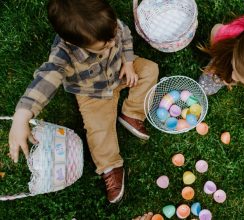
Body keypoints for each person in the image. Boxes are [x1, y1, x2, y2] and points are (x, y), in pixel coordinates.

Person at [7, 0, 158, 203]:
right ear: (74, 43)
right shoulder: (64, 55)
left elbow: (125, 36)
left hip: (120, 71)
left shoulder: (109, 25)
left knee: (149, 70)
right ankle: (110, 165)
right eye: (105, 45)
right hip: (91, 93)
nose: (113, 43)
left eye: (113, 36)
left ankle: (131, 113)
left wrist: (129, 63)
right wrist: (21, 116)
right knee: (99, 129)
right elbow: (46, 80)